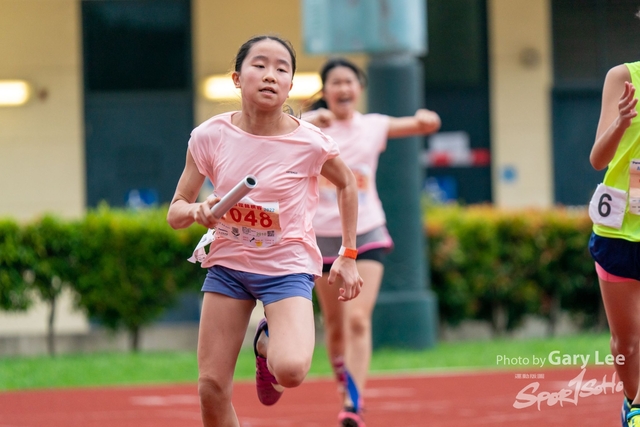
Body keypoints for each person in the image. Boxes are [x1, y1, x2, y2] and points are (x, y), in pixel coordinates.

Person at [166, 36, 364, 427]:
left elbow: (347, 184)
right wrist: (197, 210)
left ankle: (265, 344)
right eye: (260, 65)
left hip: (287, 269)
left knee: (290, 370)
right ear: (237, 78)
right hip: (228, 265)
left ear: (290, 85)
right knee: (211, 387)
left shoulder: (310, 142)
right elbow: (175, 211)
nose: (270, 75)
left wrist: (348, 253)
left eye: (281, 69)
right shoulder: (209, 136)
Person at [302, 57, 441, 427]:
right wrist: (309, 121)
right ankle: (342, 377)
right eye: (336, 83)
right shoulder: (310, 128)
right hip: (323, 239)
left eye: (350, 82)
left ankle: (353, 403)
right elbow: (282, 132)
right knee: (334, 324)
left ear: (359, 88)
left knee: (358, 320)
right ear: (325, 91)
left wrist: (426, 119)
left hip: (368, 234)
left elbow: (413, 124)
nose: (343, 89)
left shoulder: (373, 126)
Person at [588, 59, 640, 427]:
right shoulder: (623, 77)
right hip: (618, 231)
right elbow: (598, 159)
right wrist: (621, 122)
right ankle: (630, 403)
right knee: (627, 345)